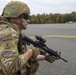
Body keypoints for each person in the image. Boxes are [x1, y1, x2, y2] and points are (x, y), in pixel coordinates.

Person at [0, 1, 59, 75]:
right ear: (15, 18)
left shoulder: (12, 31)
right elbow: (10, 68)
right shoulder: (8, 34)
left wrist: (45, 57)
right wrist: (31, 51)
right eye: (26, 17)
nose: (29, 20)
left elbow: (21, 58)